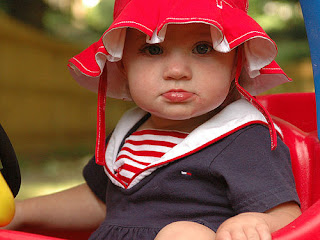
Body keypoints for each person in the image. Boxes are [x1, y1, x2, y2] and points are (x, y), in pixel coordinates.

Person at [5, 0, 301, 239]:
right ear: (122, 66)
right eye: (153, 49)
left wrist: (252, 222)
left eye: (202, 48)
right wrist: (19, 213)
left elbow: (288, 216)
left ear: (236, 63)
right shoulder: (129, 131)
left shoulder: (242, 137)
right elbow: (101, 200)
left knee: (183, 235)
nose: (176, 71)